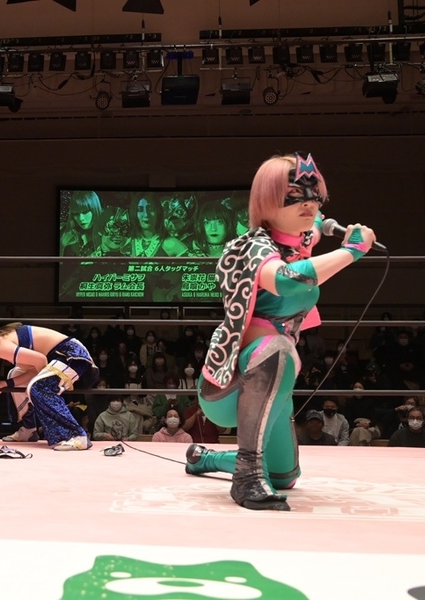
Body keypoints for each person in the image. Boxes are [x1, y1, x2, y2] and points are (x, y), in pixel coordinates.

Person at [184, 152, 377, 511]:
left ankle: (206, 459)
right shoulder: (250, 246)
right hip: (228, 385)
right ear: (266, 201)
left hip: (274, 385)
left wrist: (322, 224)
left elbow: (313, 227)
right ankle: (246, 476)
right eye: (296, 195)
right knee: (278, 347)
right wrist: (350, 250)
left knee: (285, 475)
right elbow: (287, 280)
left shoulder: (298, 241)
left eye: (315, 195)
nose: (309, 203)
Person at [0, 317, 99, 450]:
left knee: (39, 387)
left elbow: (41, 361)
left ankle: (77, 435)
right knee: (14, 375)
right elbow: (34, 367)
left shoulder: (0, 345)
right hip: (60, 357)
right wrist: (7, 383)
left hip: (72, 356)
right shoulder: (0, 340)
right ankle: (28, 429)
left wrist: (36, 388)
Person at [123, 195, 188, 258]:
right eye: (140, 209)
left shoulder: (171, 243)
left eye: (150, 209)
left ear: (158, 212)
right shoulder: (127, 243)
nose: (146, 214)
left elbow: (191, 263)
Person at [60, 191, 103, 256]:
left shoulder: (110, 235)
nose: (81, 218)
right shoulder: (64, 233)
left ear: (95, 209)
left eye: (85, 212)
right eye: (76, 213)